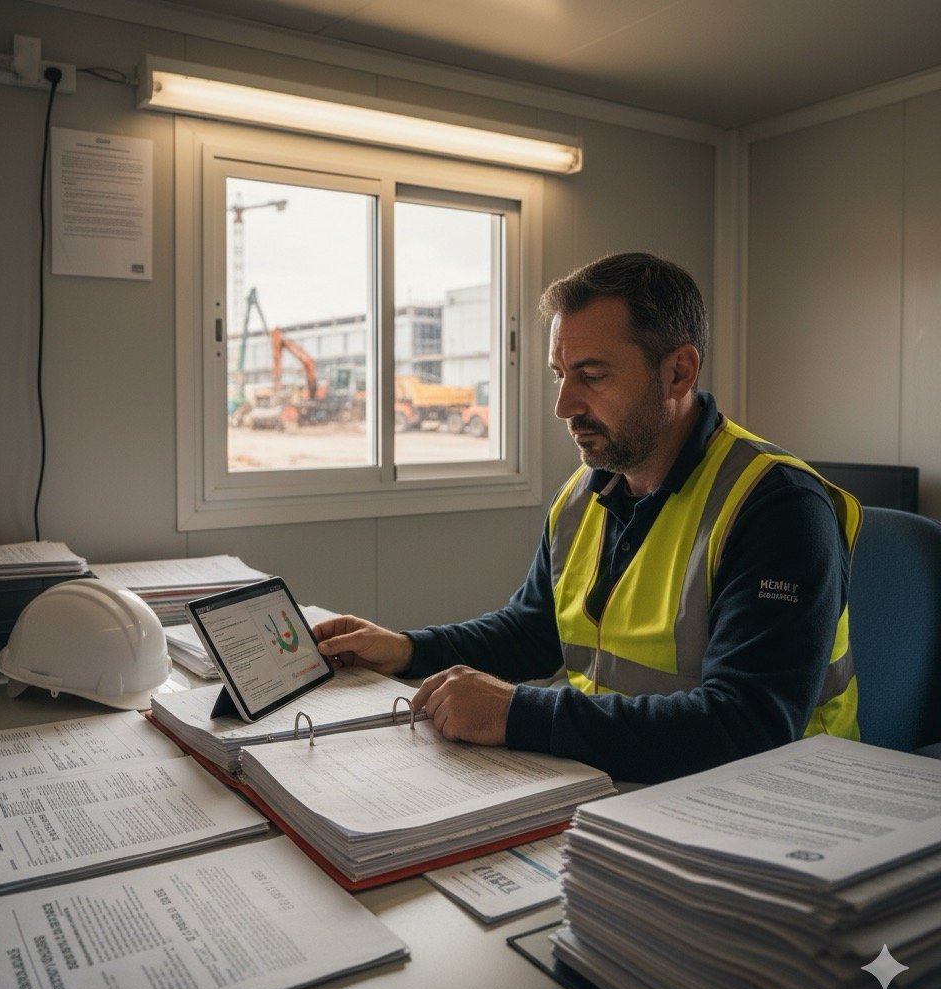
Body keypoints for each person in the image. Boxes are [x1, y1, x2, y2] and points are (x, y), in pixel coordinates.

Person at [313, 252, 861, 783]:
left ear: (678, 372)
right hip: (626, 785)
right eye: (560, 376)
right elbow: (533, 631)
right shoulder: (583, 494)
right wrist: (408, 649)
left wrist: (519, 714)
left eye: (591, 376)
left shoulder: (777, 508)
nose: (564, 406)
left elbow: (746, 726)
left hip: (777, 809)